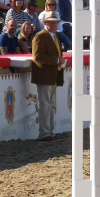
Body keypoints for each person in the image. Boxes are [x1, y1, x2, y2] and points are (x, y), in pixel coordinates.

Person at [31, 11, 66, 142]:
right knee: (46, 106)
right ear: (45, 23)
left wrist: (58, 61)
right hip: (45, 75)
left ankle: (49, 132)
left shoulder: (53, 36)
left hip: (51, 75)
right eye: (52, 22)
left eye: (55, 22)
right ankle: (45, 133)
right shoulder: (40, 37)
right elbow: (37, 57)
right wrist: (57, 60)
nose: (55, 24)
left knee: (50, 106)